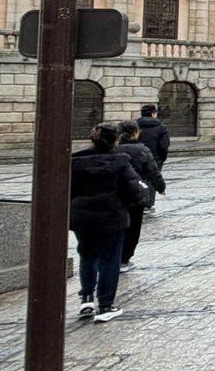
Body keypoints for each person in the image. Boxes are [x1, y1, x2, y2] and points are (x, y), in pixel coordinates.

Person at [71, 123, 149, 323]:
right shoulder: (121, 162)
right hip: (112, 218)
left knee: (87, 255)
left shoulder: (76, 161)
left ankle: (86, 298)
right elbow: (136, 191)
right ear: (116, 139)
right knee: (109, 261)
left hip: (83, 219)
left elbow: (67, 190)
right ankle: (105, 306)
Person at [115, 120, 165, 273]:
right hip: (136, 193)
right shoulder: (141, 150)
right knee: (133, 227)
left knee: (117, 227)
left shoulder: (112, 150)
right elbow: (153, 171)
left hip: (115, 194)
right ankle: (124, 259)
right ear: (135, 133)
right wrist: (161, 187)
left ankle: (114, 257)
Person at [136, 104, 170, 169]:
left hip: (137, 159)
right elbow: (164, 146)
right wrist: (162, 159)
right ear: (153, 114)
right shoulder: (162, 128)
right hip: (155, 160)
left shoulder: (134, 126)